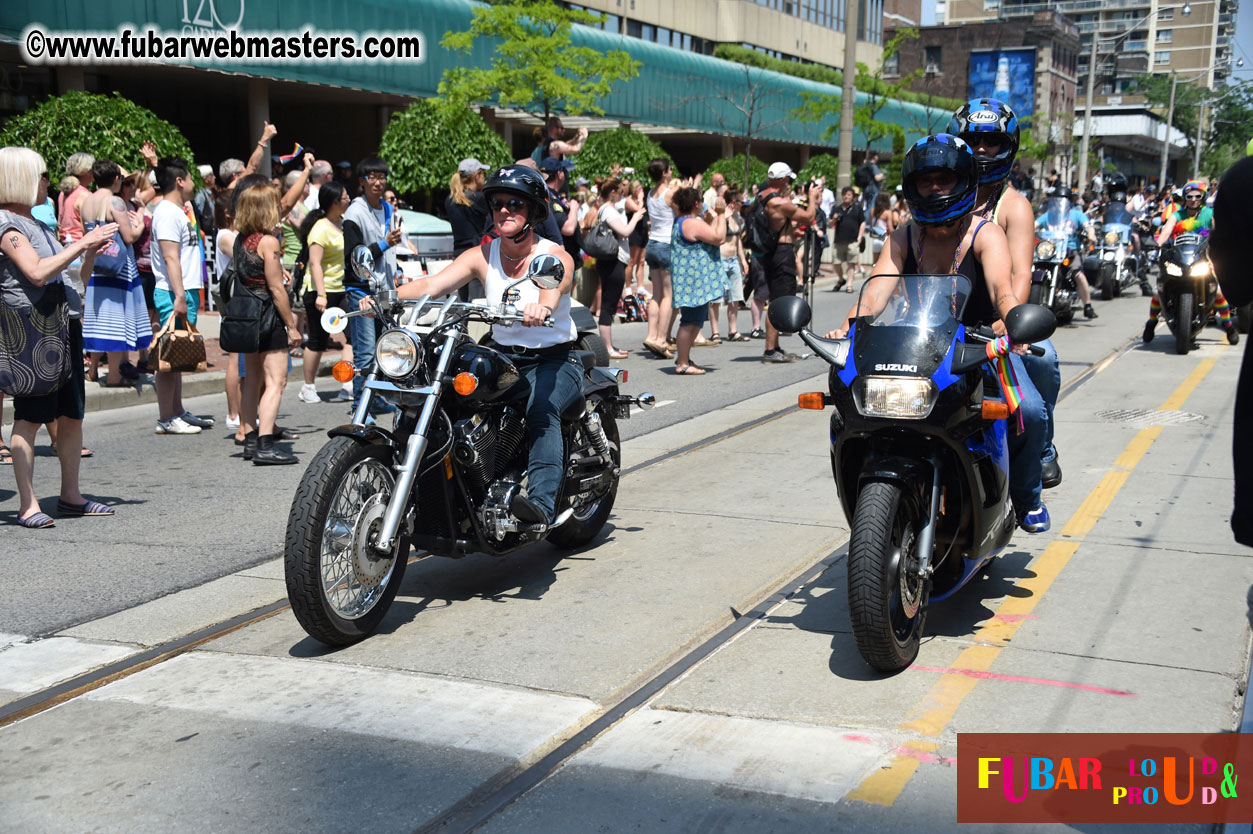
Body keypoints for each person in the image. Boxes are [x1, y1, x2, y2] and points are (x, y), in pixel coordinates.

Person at [827, 134, 1048, 533]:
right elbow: (877, 289)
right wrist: (848, 326)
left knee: (1029, 412)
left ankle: (1026, 497)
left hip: (982, 344)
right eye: (925, 180)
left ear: (964, 181)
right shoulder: (905, 234)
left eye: (944, 179)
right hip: (920, 345)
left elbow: (1002, 290)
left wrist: (1013, 323)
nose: (934, 188)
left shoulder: (984, 233)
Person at [396, 166, 579, 526]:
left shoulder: (553, 254)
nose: (504, 211)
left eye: (515, 204)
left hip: (554, 360)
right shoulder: (484, 254)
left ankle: (540, 506)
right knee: (444, 397)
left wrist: (543, 305)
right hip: (502, 356)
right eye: (497, 204)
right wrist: (385, 297)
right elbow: (434, 285)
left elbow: (554, 287)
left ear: (534, 211)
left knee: (542, 410)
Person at [950, 97, 1064, 499]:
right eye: (974, 139)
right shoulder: (943, 197)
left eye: (992, 142)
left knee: (1043, 365)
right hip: (945, 330)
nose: (981, 149)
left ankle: (1040, 455)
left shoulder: (1012, 205)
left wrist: (1008, 319)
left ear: (1008, 147)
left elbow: (1020, 274)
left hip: (995, 327)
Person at [0, 146, 118, 527]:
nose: (47, 182)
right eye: (42, 175)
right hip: (33, 329)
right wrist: (81, 244)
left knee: (71, 415)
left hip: (63, 323)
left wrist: (87, 256)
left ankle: (70, 495)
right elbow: (35, 272)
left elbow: (71, 282)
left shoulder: (37, 223)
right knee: (30, 417)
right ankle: (28, 504)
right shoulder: (7, 225)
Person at [230, 183, 302, 464]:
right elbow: (276, 288)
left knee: (252, 380)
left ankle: (250, 440)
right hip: (267, 317)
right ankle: (265, 445)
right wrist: (291, 326)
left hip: (246, 316)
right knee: (276, 381)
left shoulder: (241, 238)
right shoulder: (268, 242)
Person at [1209, 156, 1253, 547]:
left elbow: (1237, 285)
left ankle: (1223, 327)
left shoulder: (1243, 180)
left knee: (1223, 305)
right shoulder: (1175, 214)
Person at [150, 156, 211, 435]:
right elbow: (170, 257)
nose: (192, 183)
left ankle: (177, 411)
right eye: (189, 177)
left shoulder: (178, 210)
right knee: (168, 357)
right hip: (173, 291)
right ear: (179, 181)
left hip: (184, 289)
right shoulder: (165, 212)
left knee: (176, 356)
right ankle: (166, 418)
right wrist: (178, 296)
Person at [78, 160, 151, 386]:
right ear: (116, 179)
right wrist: (139, 226)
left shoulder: (86, 202)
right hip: (118, 268)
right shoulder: (115, 201)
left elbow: (86, 235)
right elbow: (128, 237)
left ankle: (92, 370)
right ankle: (114, 375)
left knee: (99, 319)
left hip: (96, 265)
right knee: (117, 321)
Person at [1144, 179, 1238, 345]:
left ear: (1202, 197)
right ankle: (1151, 323)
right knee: (1160, 291)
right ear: (1184, 197)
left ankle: (1229, 327)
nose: (1193, 199)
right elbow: (1166, 232)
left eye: (1197, 196)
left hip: (1204, 258)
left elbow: (1217, 232)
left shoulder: (1209, 214)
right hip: (1178, 259)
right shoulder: (1176, 215)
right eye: (1189, 196)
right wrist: (1156, 245)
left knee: (1217, 292)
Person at [343, 156, 402, 414]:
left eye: (381, 177)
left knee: (385, 350)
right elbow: (354, 257)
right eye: (372, 177)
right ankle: (360, 408)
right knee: (365, 354)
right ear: (362, 182)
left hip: (385, 290)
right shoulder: (355, 212)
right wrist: (385, 244)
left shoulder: (388, 209)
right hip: (362, 290)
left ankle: (376, 398)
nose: (378, 182)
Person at [760, 162, 821, 362]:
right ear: (784, 179)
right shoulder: (780, 203)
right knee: (779, 302)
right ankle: (770, 350)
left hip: (769, 252)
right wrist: (811, 199)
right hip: (782, 253)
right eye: (788, 179)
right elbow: (809, 217)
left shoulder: (762, 196)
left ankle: (775, 346)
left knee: (776, 299)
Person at [298, 180, 351, 404]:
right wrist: (321, 294)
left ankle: (347, 383)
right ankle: (308, 386)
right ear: (334, 202)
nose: (349, 199)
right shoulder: (320, 228)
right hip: (320, 291)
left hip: (342, 288)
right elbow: (315, 263)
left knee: (351, 337)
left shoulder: (344, 223)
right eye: (345, 196)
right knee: (318, 341)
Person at [669, 187, 728, 375]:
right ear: (696, 204)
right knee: (690, 321)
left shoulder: (684, 221)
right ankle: (682, 363)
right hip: (693, 283)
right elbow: (719, 238)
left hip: (692, 281)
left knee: (695, 321)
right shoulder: (691, 223)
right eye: (700, 200)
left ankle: (683, 358)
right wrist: (721, 214)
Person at [589, 178, 643, 359]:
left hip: (613, 261)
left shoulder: (607, 209)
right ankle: (607, 348)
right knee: (608, 305)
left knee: (610, 305)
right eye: (620, 190)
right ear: (612, 192)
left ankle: (610, 346)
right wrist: (635, 217)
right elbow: (625, 231)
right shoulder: (608, 210)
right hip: (613, 261)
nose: (622, 194)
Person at [1035, 187, 1099, 320]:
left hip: (1069, 250)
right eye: (1057, 200)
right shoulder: (1048, 215)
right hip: (1049, 249)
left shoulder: (1076, 214)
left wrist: (1091, 233)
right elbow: (1034, 224)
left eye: (1063, 200)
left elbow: (1087, 225)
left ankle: (1087, 305)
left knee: (1078, 273)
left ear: (1070, 201)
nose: (1060, 203)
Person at [644, 158, 681, 358]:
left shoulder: (650, 194)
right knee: (669, 295)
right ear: (665, 172)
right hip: (666, 245)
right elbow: (681, 212)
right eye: (670, 168)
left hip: (652, 244)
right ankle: (660, 339)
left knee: (656, 294)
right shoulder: (670, 193)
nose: (672, 171)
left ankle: (651, 335)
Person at [711, 189, 749, 343]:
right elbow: (713, 233)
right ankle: (715, 332)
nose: (743, 205)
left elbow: (738, 241)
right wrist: (723, 217)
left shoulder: (738, 218)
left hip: (733, 260)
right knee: (716, 298)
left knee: (735, 297)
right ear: (733, 202)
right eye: (741, 202)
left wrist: (743, 260)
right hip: (720, 259)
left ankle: (733, 330)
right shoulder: (720, 216)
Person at [830, 186, 865, 292]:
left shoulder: (857, 208)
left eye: (849, 195)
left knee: (851, 263)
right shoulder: (837, 208)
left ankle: (849, 284)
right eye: (844, 194)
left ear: (852, 196)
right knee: (836, 262)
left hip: (853, 240)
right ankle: (841, 279)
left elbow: (863, 222)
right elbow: (830, 223)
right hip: (839, 240)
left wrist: (860, 236)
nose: (846, 196)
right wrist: (834, 219)